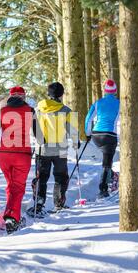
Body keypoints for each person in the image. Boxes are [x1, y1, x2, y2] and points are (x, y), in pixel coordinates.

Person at [0, 86, 39, 234]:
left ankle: (11, 212)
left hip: (3, 153)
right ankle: (12, 218)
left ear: (10, 96)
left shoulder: (2, 111)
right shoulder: (30, 111)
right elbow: (40, 136)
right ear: (23, 97)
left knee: (11, 184)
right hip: (21, 154)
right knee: (17, 186)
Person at [28, 82, 78, 217]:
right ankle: (59, 203)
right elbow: (73, 131)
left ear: (48, 94)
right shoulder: (66, 110)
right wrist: (76, 142)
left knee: (41, 177)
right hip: (60, 150)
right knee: (61, 177)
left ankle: (39, 203)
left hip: (42, 149)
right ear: (61, 95)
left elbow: (33, 130)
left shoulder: (38, 109)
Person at [85, 79, 120, 198]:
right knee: (107, 163)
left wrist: (88, 133)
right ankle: (103, 189)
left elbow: (88, 119)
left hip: (96, 135)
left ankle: (111, 177)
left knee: (107, 159)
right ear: (115, 91)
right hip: (110, 135)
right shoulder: (119, 103)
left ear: (105, 91)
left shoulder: (98, 102)